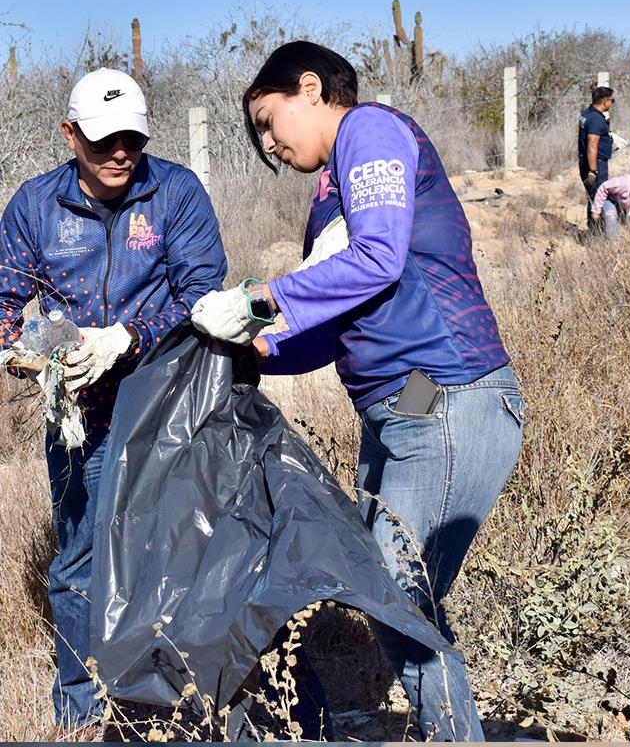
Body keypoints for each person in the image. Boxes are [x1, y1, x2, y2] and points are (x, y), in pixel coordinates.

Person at [190, 41, 524, 742]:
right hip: (404, 409)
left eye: (267, 120)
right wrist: (252, 350)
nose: (267, 143)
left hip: (446, 390)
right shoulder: (329, 194)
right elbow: (334, 326)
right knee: (399, 591)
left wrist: (259, 297)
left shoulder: (368, 131)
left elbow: (377, 259)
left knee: (392, 587)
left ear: (311, 88)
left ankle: (453, 736)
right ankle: (452, 726)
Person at [0, 68, 227, 735]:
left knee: (182, 554)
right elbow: (4, 305)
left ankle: (186, 703)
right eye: (103, 142)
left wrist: (129, 335)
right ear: (70, 136)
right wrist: (25, 351)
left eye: (131, 138)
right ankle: (82, 712)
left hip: (171, 405)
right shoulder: (35, 207)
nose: (120, 153)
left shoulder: (176, 193)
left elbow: (204, 298)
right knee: (77, 565)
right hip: (83, 419)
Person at [578, 86, 614, 227]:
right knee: (599, 198)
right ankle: (597, 233)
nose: (612, 103)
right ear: (605, 102)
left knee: (593, 197)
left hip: (586, 161)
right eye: (612, 100)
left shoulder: (586, 114)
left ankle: (593, 229)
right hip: (595, 163)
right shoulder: (596, 120)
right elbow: (592, 145)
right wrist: (593, 171)